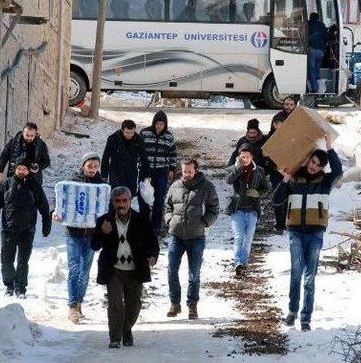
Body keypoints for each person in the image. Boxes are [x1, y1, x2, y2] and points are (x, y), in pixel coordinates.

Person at [272, 134, 343, 332]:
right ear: (308, 160)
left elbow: (338, 170)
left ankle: (306, 317)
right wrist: (285, 180)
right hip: (295, 232)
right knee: (296, 274)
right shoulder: (294, 178)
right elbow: (276, 200)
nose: (313, 167)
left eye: (318, 165)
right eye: (312, 162)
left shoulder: (325, 182)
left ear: (322, 168)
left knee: (310, 278)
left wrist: (329, 148)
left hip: (315, 234)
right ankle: (292, 311)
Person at [91, 187, 159, 349]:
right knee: (115, 304)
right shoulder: (104, 220)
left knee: (134, 305)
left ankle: (126, 329)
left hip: (135, 269)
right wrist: (102, 233)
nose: (121, 204)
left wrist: (153, 255)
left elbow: (152, 242)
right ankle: (115, 338)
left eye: (124, 200)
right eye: (117, 201)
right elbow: (94, 245)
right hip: (114, 269)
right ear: (112, 202)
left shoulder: (141, 219)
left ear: (130, 201)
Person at [53, 152, 105, 323]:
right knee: (74, 270)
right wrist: (55, 212)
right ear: (83, 165)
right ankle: (72, 305)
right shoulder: (72, 181)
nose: (92, 169)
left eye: (95, 166)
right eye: (90, 166)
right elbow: (62, 201)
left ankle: (79, 303)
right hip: (73, 234)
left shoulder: (101, 185)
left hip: (91, 235)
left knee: (85, 273)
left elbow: (104, 208)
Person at [164, 158, 219, 320]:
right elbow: (168, 206)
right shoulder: (175, 186)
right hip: (176, 235)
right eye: (184, 171)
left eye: (189, 171)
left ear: (196, 170)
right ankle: (175, 303)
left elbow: (214, 209)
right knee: (171, 270)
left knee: (194, 273)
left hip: (196, 236)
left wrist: (204, 223)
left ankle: (192, 305)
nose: (186, 174)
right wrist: (169, 220)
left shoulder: (206, 187)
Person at [0, 159, 51, 299]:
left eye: (25, 169)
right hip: (8, 229)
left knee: (23, 261)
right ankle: (9, 286)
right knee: (7, 260)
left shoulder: (34, 186)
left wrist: (46, 224)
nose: (22, 171)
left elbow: (44, 206)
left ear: (29, 170)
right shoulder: (6, 184)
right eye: (19, 168)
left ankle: (20, 288)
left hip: (27, 230)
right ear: (15, 169)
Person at [226, 143, 269, 277]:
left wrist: (258, 193)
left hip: (252, 210)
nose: (244, 159)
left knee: (248, 238)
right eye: (242, 156)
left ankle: (243, 263)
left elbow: (265, 188)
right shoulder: (234, 168)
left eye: (247, 157)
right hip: (237, 208)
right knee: (239, 237)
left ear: (252, 157)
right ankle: (238, 262)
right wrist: (238, 168)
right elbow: (228, 180)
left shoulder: (259, 171)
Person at [139, 110, 177, 235]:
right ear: (153, 123)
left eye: (162, 124)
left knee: (159, 198)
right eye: (157, 123)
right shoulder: (144, 133)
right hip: (146, 169)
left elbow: (172, 153)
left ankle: (156, 226)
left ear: (165, 124)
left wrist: (172, 168)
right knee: (143, 197)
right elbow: (138, 150)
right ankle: (143, 223)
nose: (159, 126)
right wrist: (140, 165)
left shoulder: (169, 136)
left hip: (162, 170)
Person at [102, 120, 151, 197]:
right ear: (122, 130)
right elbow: (106, 157)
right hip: (116, 173)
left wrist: (147, 174)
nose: (130, 135)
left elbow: (144, 158)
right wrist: (104, 175)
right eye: (127, 132)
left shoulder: (138, 140)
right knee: (116, 197)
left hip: (131, 174)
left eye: (132, 132)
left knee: (129, 197)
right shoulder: (113, 139)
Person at [265, 114, 287, 231]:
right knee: (277, 197)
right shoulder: (269, 137)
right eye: (278, 123)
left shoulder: (288, 137)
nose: (280, 126)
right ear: (274, 124)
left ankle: (287, 222)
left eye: (282, 123)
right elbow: (265, 154)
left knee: (288, 197)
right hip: (275, 172)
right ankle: (280, 223)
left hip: (287, 171)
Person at [307, 12, 328, 93]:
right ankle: (318, 87)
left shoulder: (308, 24)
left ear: (310, 17)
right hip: (321, 52)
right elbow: (326, 37)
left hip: (312, 51)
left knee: (311, 70)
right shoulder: (321, 25)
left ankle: (314, 89)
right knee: (316, 69)